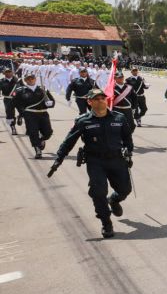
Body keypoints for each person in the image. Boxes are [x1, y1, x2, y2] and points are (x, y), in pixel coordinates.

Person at [51, 89, 133, 238]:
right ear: (89, 102)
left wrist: (129, 152)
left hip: (117, 160)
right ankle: (106, 223)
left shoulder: (119, 118)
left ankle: (114, 200)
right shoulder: (83, 121)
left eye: (103, 98)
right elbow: (69, 141)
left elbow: (127, 137)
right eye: (96, 99)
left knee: (125, 189)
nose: (101, 100)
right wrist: (59, 158)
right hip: (96, 161)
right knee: (98, 192)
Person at [12, 73, 54, 159]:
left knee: (48, 133)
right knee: (33, 132)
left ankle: (42, 139)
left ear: (35, 79)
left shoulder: (42, 89)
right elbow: (15, 103)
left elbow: (51, 100)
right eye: (28, 79)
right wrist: (22, 113)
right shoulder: (20, 90)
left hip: (43, 113)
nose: (30, 80)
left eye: (32, 78)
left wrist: (50, 104)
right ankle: (37, 149)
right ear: (25, 80)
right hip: (30, 114)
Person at [1, 67, 20, 135]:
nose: (8, 73)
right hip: (7, 99)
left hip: (18, 99)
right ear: (4, 73)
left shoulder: (17, 80)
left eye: (9, 72)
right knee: (10, 114)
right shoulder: (1, 81)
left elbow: (23, 89)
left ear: (12, 73)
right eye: (7, 72)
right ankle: (13, 127)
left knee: (24, 111)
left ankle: (20, 117)